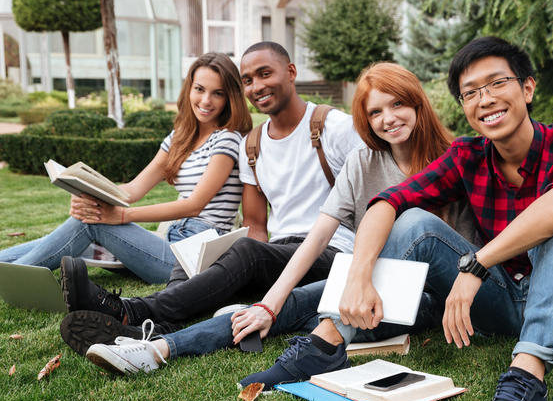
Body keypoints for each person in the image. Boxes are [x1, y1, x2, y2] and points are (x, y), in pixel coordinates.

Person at [241, 37, 553, 401]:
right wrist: (359, 276)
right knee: (412, 219)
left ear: (527, 88)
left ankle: (527, 377)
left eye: (496, 84)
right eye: (471, 92)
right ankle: (324, 345)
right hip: (504, 301)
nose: (485, 99)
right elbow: (388, 201)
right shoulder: (466, 155)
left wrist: (477, 264)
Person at [67, 62, 474, 376]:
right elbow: (317, 236)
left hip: (429, 295)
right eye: (375, 112)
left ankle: (176, 325)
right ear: (364, 121)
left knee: (312, 309)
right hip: (369, 283)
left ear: (418, 102)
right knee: (284, 306)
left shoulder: (454, 159)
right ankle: (154, 350)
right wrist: (269, 302)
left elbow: (467, 250)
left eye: (398, 104)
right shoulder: (363, 161)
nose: (388, 119)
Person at [58, 41, 362, 353]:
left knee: (247, 253)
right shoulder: (253, 145)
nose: (257, 86)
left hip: (332, 255)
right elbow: (256, 226)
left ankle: (129, 310)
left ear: (291, 72)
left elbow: (374, 203)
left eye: (265, 74)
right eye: (248, 80)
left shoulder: (334, 126)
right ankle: (147, 331)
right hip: (282, 258)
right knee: (200, 257)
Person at [0, 52, 252, 284]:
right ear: (189, 90)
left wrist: (122, 216)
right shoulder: (179, 137)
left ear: (230, 97)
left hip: (194, 257)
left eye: (217, 93)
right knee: (89, 217)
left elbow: (194, 205)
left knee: (94, 222)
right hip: (171, 242)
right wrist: (90, 196)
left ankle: (15, 280)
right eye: (199, 89)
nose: (206, 100)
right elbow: (132, 190)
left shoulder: (227, 139)